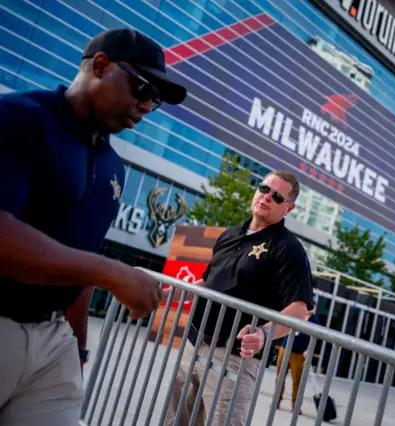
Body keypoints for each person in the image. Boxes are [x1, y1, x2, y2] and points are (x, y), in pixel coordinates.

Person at [0, 28, 186, 426]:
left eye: (154, 101)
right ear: (100, 65)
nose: (145, 105)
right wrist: (113, 273)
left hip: (53, 342)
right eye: (142, 87)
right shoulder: (18, 118)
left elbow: (81, 265)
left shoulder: (113, 168)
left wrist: (77, 350)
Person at [163, 171, 315, 426]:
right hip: (194, 345)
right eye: (264, 188)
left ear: (289, 208)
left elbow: (299, 309)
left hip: (233, 360)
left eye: (277, 196)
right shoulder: (229, 234)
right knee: (173, 422)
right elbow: (207, 284)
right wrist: (170, 293)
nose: (266, 197)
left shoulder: (289, 249)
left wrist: (264, 334)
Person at [275, 310, 320, 413]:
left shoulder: (314, 321)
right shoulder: (296, 313)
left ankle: (295, 405)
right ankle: (276, 401)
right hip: (285, 348)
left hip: (299, 353)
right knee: (279, 377)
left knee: (297, 381)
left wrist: (308, 350)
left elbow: (315, 339)